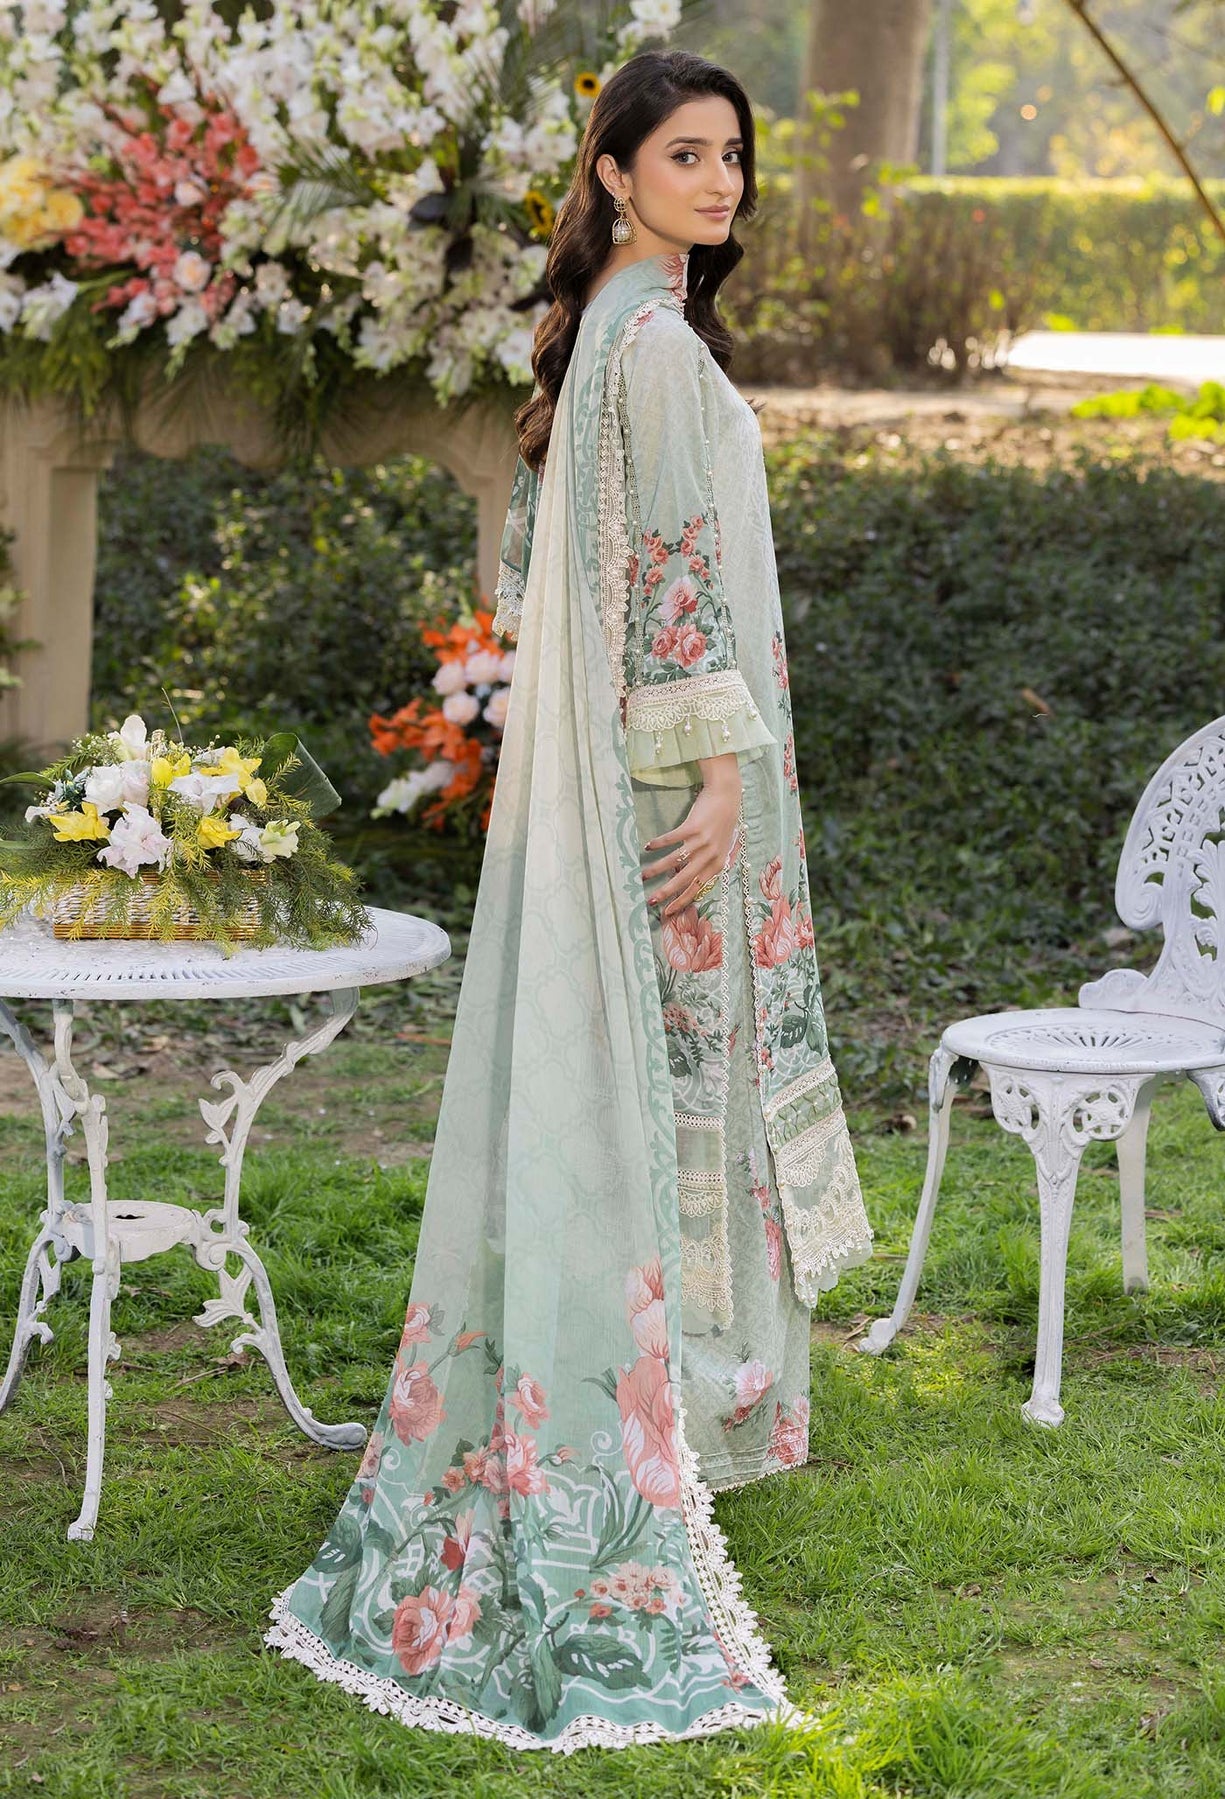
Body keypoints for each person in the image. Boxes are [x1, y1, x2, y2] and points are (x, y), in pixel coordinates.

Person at [264, 48, 873, 1754]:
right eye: (685, 154)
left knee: (643, 1086)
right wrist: (723, 774)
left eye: (733, 155)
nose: (720, 180)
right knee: (664, 1078)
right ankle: (645, 1417)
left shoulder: (608, 324)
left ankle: (644, 1392)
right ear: (610, 172)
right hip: (677, 778)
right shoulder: (650, 343)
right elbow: (670, 581)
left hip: (636, 760)